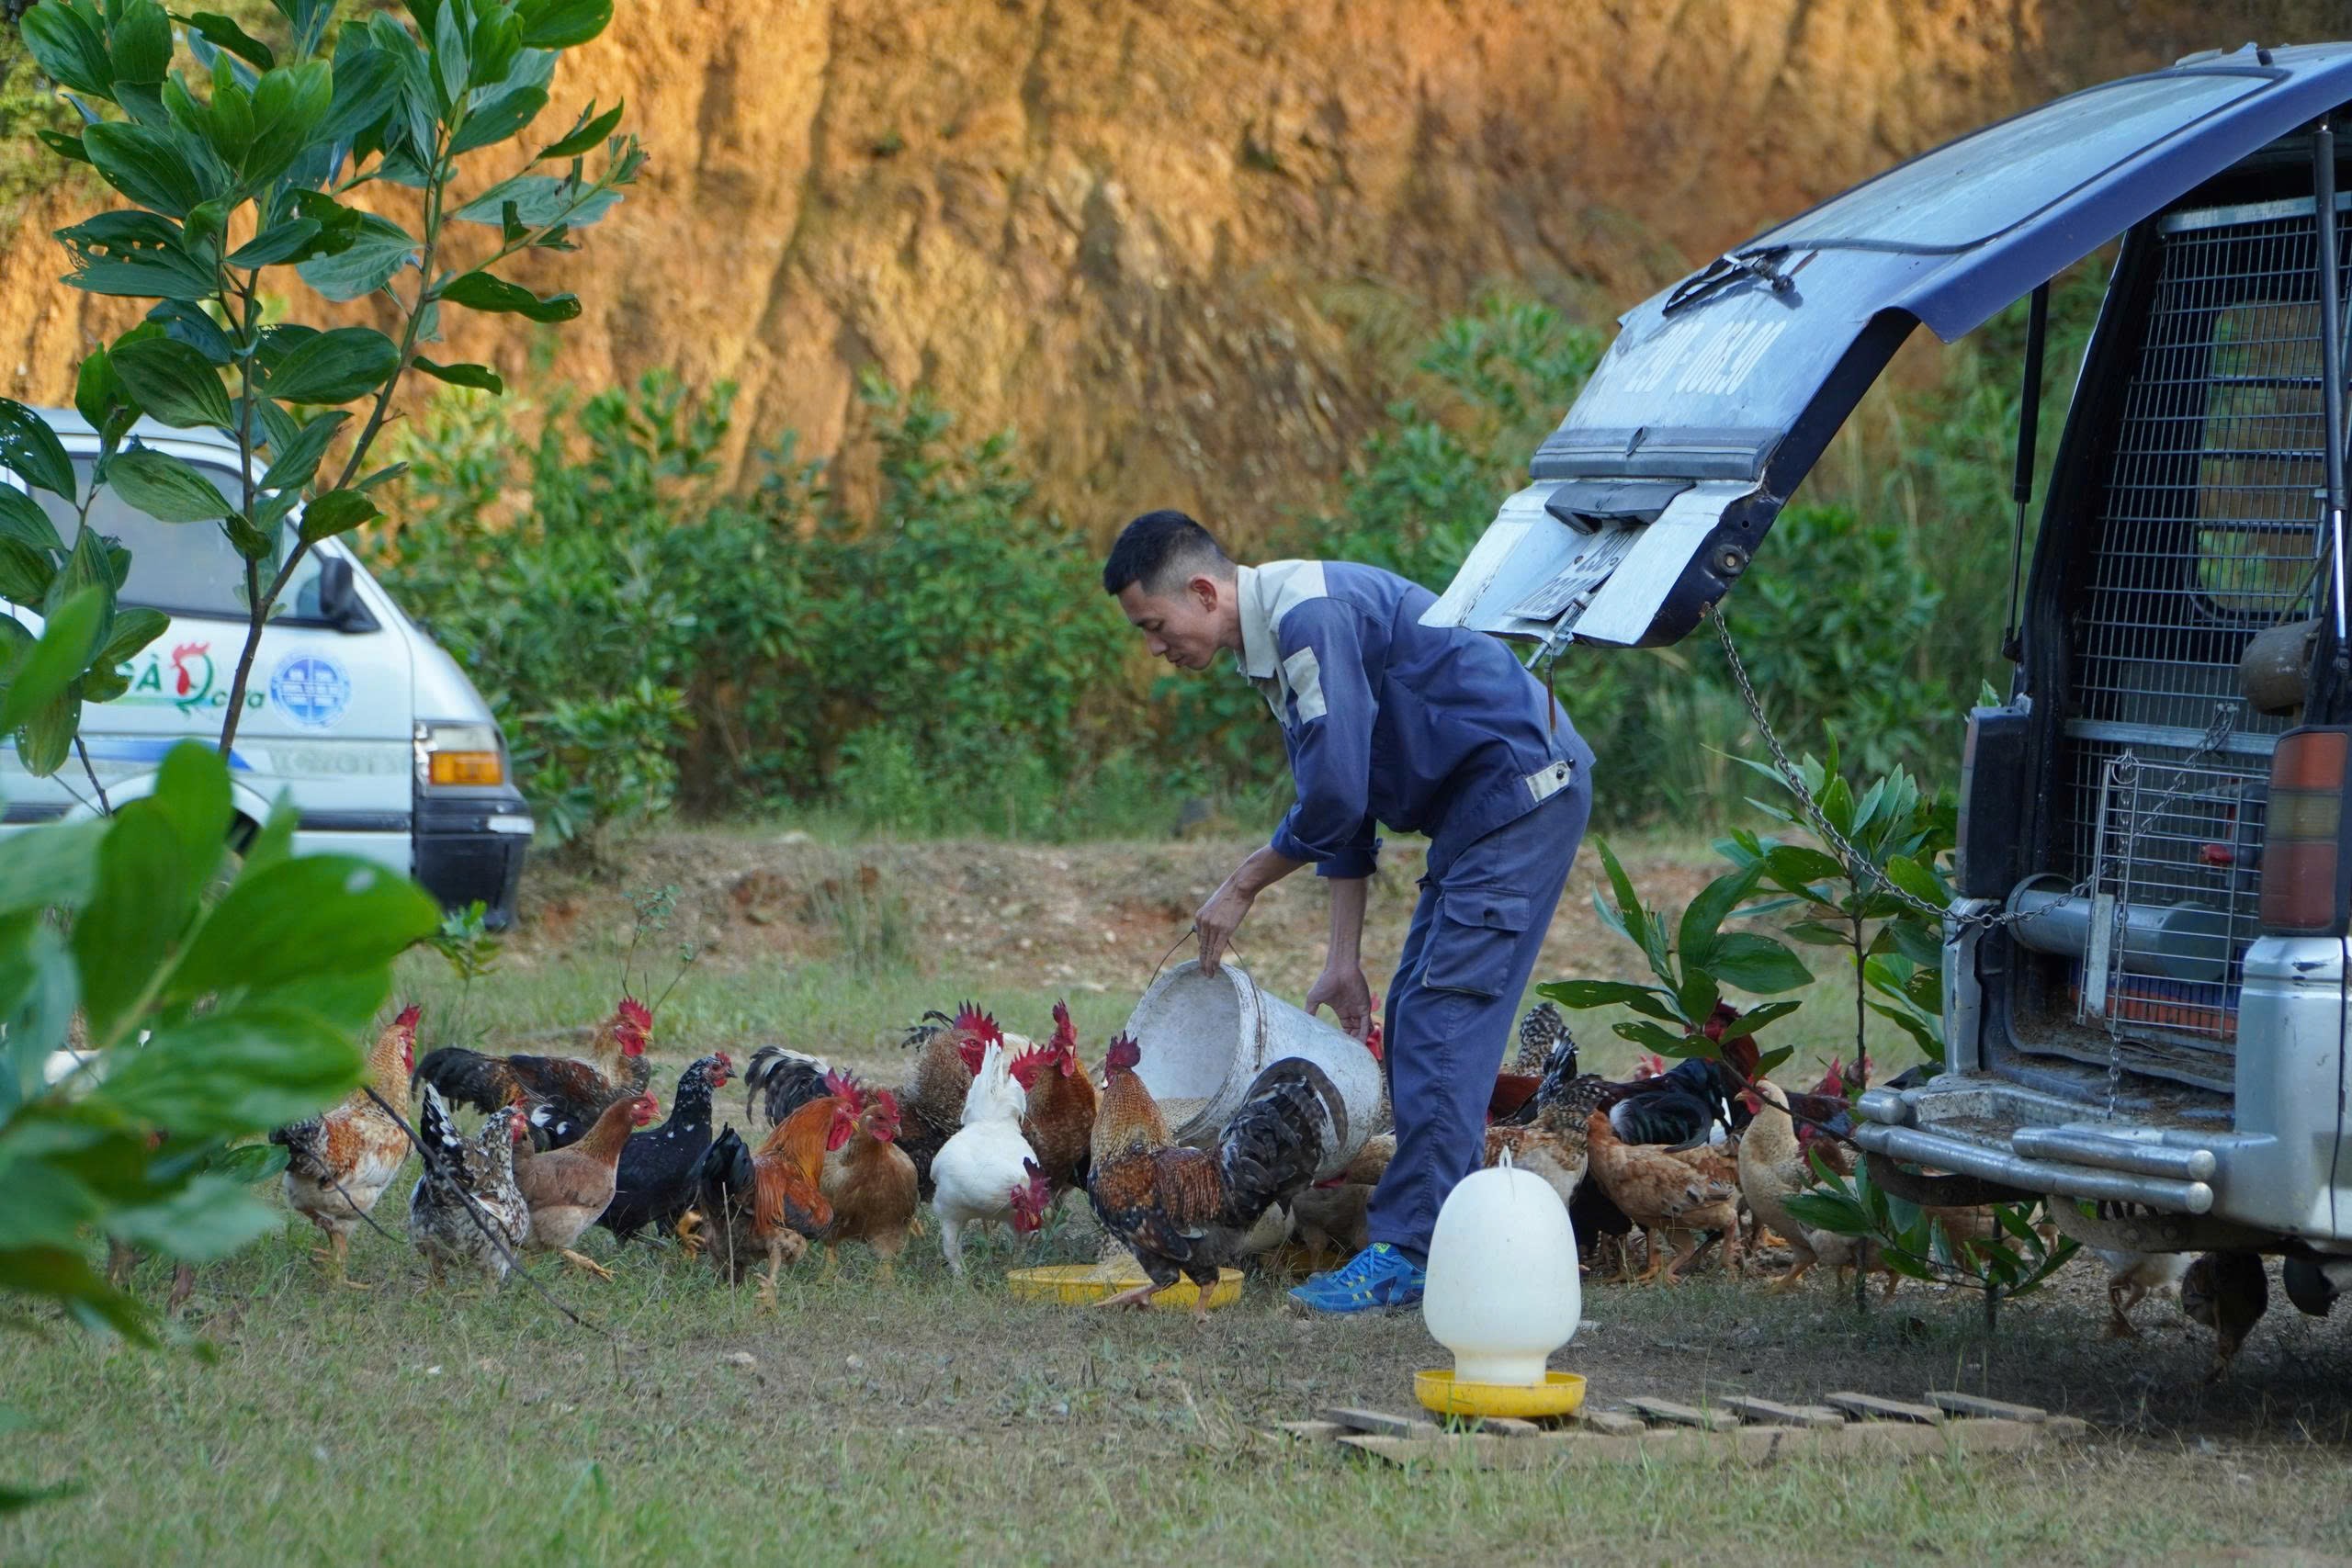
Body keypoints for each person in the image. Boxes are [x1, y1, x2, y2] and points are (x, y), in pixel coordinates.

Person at [1102, 509, 1592, 1313]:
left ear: (1201, 590)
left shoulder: (1307, 621)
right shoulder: (1273, 643)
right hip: (1481, 811)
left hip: (1519, 793)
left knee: (1440, 1018)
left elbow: (1333, 797)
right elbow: (1342, 808)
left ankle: (1414, 1252)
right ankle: (1452, 1239)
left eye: (1154, 625)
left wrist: (1245, 882)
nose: (1154, 647)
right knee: (1417, 1015)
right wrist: (1342, 955)